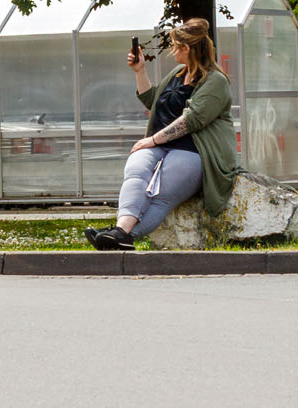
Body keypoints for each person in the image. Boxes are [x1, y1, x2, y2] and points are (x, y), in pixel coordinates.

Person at [85, 17, 238, 250]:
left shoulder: (215, 81)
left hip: (193, 151)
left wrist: (152, 140)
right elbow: (152, 100)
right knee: (136, 173)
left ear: (186, 49)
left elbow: (192, 120)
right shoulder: (178, 73)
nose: (172, 50)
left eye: (175, 46)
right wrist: (139, 71)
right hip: (159, 146)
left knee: (161, 196)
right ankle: (120, 231)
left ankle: (122, 235)